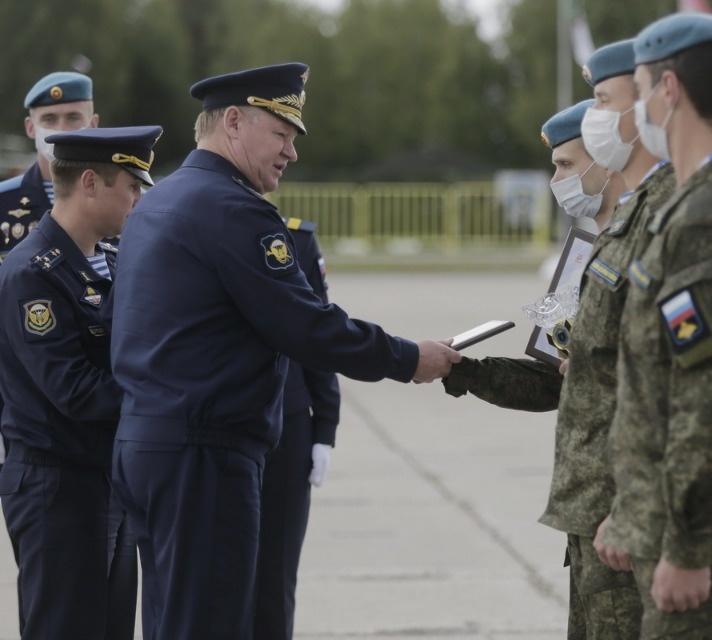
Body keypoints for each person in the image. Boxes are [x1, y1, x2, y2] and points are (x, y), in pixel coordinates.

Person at [108, 62, 460, 639]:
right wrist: (407, 358)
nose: (291, 152)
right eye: (282, 134)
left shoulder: (158, 201)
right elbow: (307, 326)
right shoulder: (233, 210)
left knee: (173, 623)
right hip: (205, 458)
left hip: (147, 447)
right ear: (232, 123)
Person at [444, 40, 675, 639]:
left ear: (605, 160)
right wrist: (463, 372)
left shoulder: (653, 241)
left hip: (629, 513)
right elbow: (552, 377)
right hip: (587, 515)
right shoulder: (581, 256)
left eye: (566, 166)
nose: (557, 181)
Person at [596, 14, 712, 639]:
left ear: (670, 91)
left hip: (700, 543)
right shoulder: (693, 202)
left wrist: (690, 545)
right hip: (667, 525)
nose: (642, 104)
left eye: (643, 87)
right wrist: (631, 511)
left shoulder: (711, 215)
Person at [0, 125, 162, 639]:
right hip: (57, 487)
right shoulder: (32, 273)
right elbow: (75, 390)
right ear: (90, 183)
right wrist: (170, 390)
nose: (138, 199)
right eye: (131, 186)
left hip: (106, 478)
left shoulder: (112, 259)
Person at [253, 216, 341, 640]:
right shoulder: (184, 225)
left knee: (274, 577)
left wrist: (324, 426)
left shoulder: (292, 240)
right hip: (211, 427)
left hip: (287, 426)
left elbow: (317, 334)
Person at [0, 72, 99, 262]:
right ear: (30, 127)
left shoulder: (128, 202)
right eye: (49, 119)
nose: (61, 129)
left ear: (93, 124)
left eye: (72, 118)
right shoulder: (3, 201)